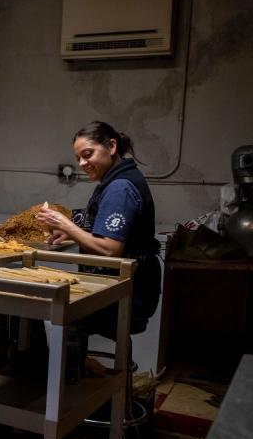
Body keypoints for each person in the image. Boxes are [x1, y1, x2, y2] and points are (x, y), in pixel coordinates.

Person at [36, 121, 162, 338]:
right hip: (123, 287)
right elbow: (104, 229)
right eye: (78, 159)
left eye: (88, 154)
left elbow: (110, 249)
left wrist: (65, 224)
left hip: (128, 294)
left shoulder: (120, 188)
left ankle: (65, 370)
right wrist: (73, 232)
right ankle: (77, 368)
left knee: (39, 308)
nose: (83, 163)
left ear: (112, 147)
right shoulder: (116, 181)